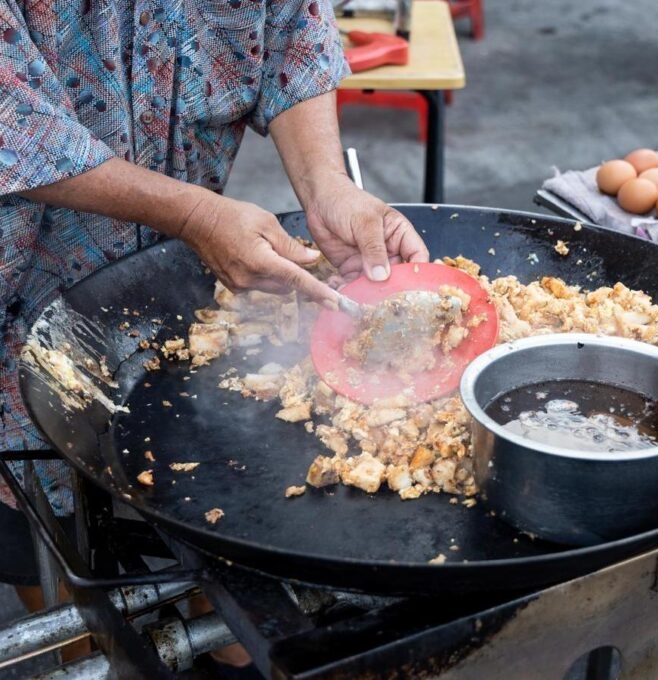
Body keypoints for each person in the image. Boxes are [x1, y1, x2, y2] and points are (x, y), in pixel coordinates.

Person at [0, 0, 428, 670]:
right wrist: (196, 213)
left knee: (200, 527)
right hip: (13, 301)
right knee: (62, 568)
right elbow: (12, 120)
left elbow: (293, 32)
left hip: (166, 292)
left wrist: (327, 189)